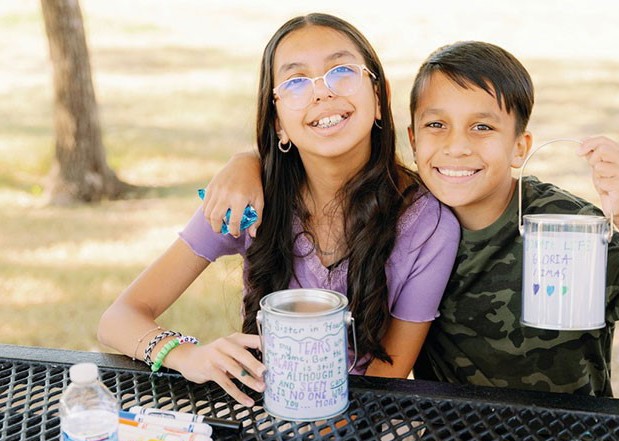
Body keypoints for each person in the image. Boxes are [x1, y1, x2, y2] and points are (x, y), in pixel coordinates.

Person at [202, 41, 619, 397]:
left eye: (483, 126)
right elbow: (314, 158)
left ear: (520, 147)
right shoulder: (400, 219)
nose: (458, 146)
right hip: (454, 440)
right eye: (437, 125)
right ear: (413, 139)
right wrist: (249, 160)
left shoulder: (562, 225)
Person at [98, 13, 460, 408]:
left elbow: (385, 380)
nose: (321, 93)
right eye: (295, 82)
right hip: (257, 412)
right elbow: (119, 318)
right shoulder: (247, 201)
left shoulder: (427, 224)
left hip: (356, 426)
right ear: (278, 122)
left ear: (380, 97)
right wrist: (186, 355)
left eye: (341, 71)